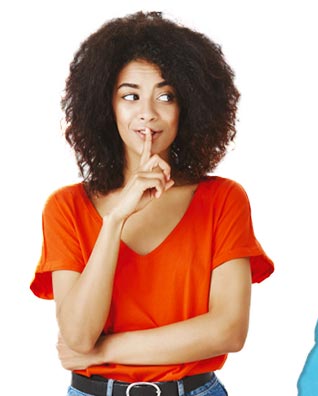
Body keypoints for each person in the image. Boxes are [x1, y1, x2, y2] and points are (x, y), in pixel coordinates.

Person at [30, 11, 274, 396]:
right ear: (105, 107)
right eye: (130, 96)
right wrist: (115, 221)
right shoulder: (66, 207)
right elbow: (77, 334)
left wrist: (103, 350)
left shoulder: (223, 200)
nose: (147, 112)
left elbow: (228, 330)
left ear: (188, 107)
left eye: (166, 96)